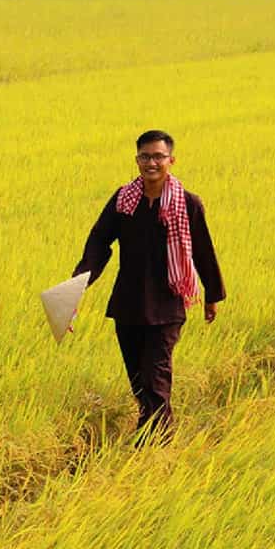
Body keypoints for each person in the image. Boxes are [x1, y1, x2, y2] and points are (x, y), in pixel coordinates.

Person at [73, 130, 225, 445]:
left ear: (171, 160)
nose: (151, 163)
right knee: (139, 381)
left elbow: (203, 250)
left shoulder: (187, 203)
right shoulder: (123, 200)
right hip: (128, 303)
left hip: (168, 303)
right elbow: (99, 242)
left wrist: (211, 296)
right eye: (145, 156)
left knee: (155, 376)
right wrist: (77, 285)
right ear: (137, 160)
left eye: (158, 156)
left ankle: (154, 444)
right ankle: (155, 433)